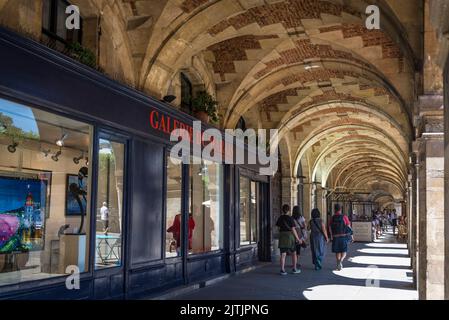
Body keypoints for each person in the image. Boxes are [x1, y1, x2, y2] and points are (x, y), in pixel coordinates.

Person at [276, 204, 301, 275]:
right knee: (294, 253)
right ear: (289, 210)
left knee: (283, 254)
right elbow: (293, 229)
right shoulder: (290, 218)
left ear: (282, 210)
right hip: (290, 237)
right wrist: (297, 238)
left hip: (282, 236)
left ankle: (282, 270)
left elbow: (278, 228)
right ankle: (294, 268)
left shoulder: (280, 218)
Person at [328, 203, 353, 271]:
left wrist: (331, 236)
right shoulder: (344, 217)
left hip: (335, 237)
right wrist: (351, 235)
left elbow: (329, 227)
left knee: (337, 251)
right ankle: (340, 261)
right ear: (341, 209)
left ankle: (338, 263)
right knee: (344, 251)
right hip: (343, 237)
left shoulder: (332, 217)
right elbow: (348, 227)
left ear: (334, 209)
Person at [292, 206, 307, 270]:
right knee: (298, 249)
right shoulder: (301, 217)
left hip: (293, 233)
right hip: (300, 234)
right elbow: (304, 226)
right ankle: (296, 262)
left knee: (294, 248)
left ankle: (294, 262)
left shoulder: (291, 218)